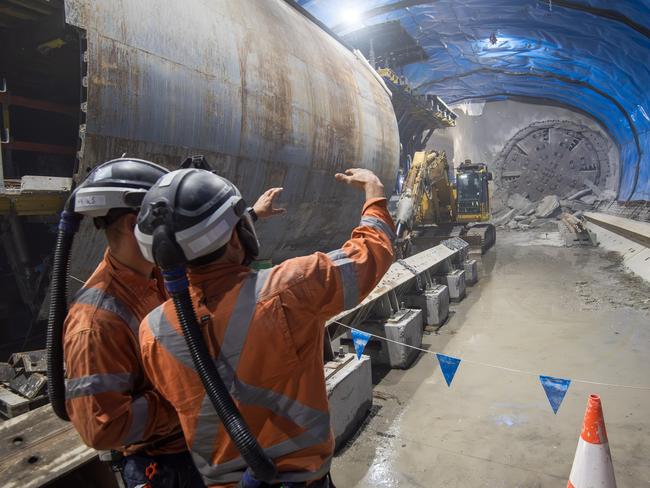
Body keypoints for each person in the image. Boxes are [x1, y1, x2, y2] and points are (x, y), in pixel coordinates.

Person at [136, 167, 395, 487]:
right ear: (235, 236)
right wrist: (374, 192)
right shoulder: (293, 287)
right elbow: (372, 254)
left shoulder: (152, 332)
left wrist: (247, 216)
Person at [63, 158, 285, 487]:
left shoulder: (157, 271)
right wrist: (184, 393)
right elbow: (102, 427)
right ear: (135, 222)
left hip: (201, 442)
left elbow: (204, 244)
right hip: (166, 468)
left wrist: (251, 214)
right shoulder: (95, 322)